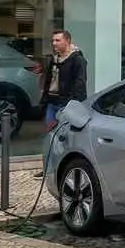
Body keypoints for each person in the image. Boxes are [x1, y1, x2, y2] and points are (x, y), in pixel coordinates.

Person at [35, 29, 88, 179]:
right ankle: (48, 169)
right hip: (52, 102)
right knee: (50, 137)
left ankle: (67, 169)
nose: (54, 43)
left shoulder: (77, 60)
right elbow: (49, 80)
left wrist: (73, 103)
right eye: (53, 40)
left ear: (67, 41)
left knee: (66, 138)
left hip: (66, 104)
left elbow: (80, 83)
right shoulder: (54, 59)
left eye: (57, 40)